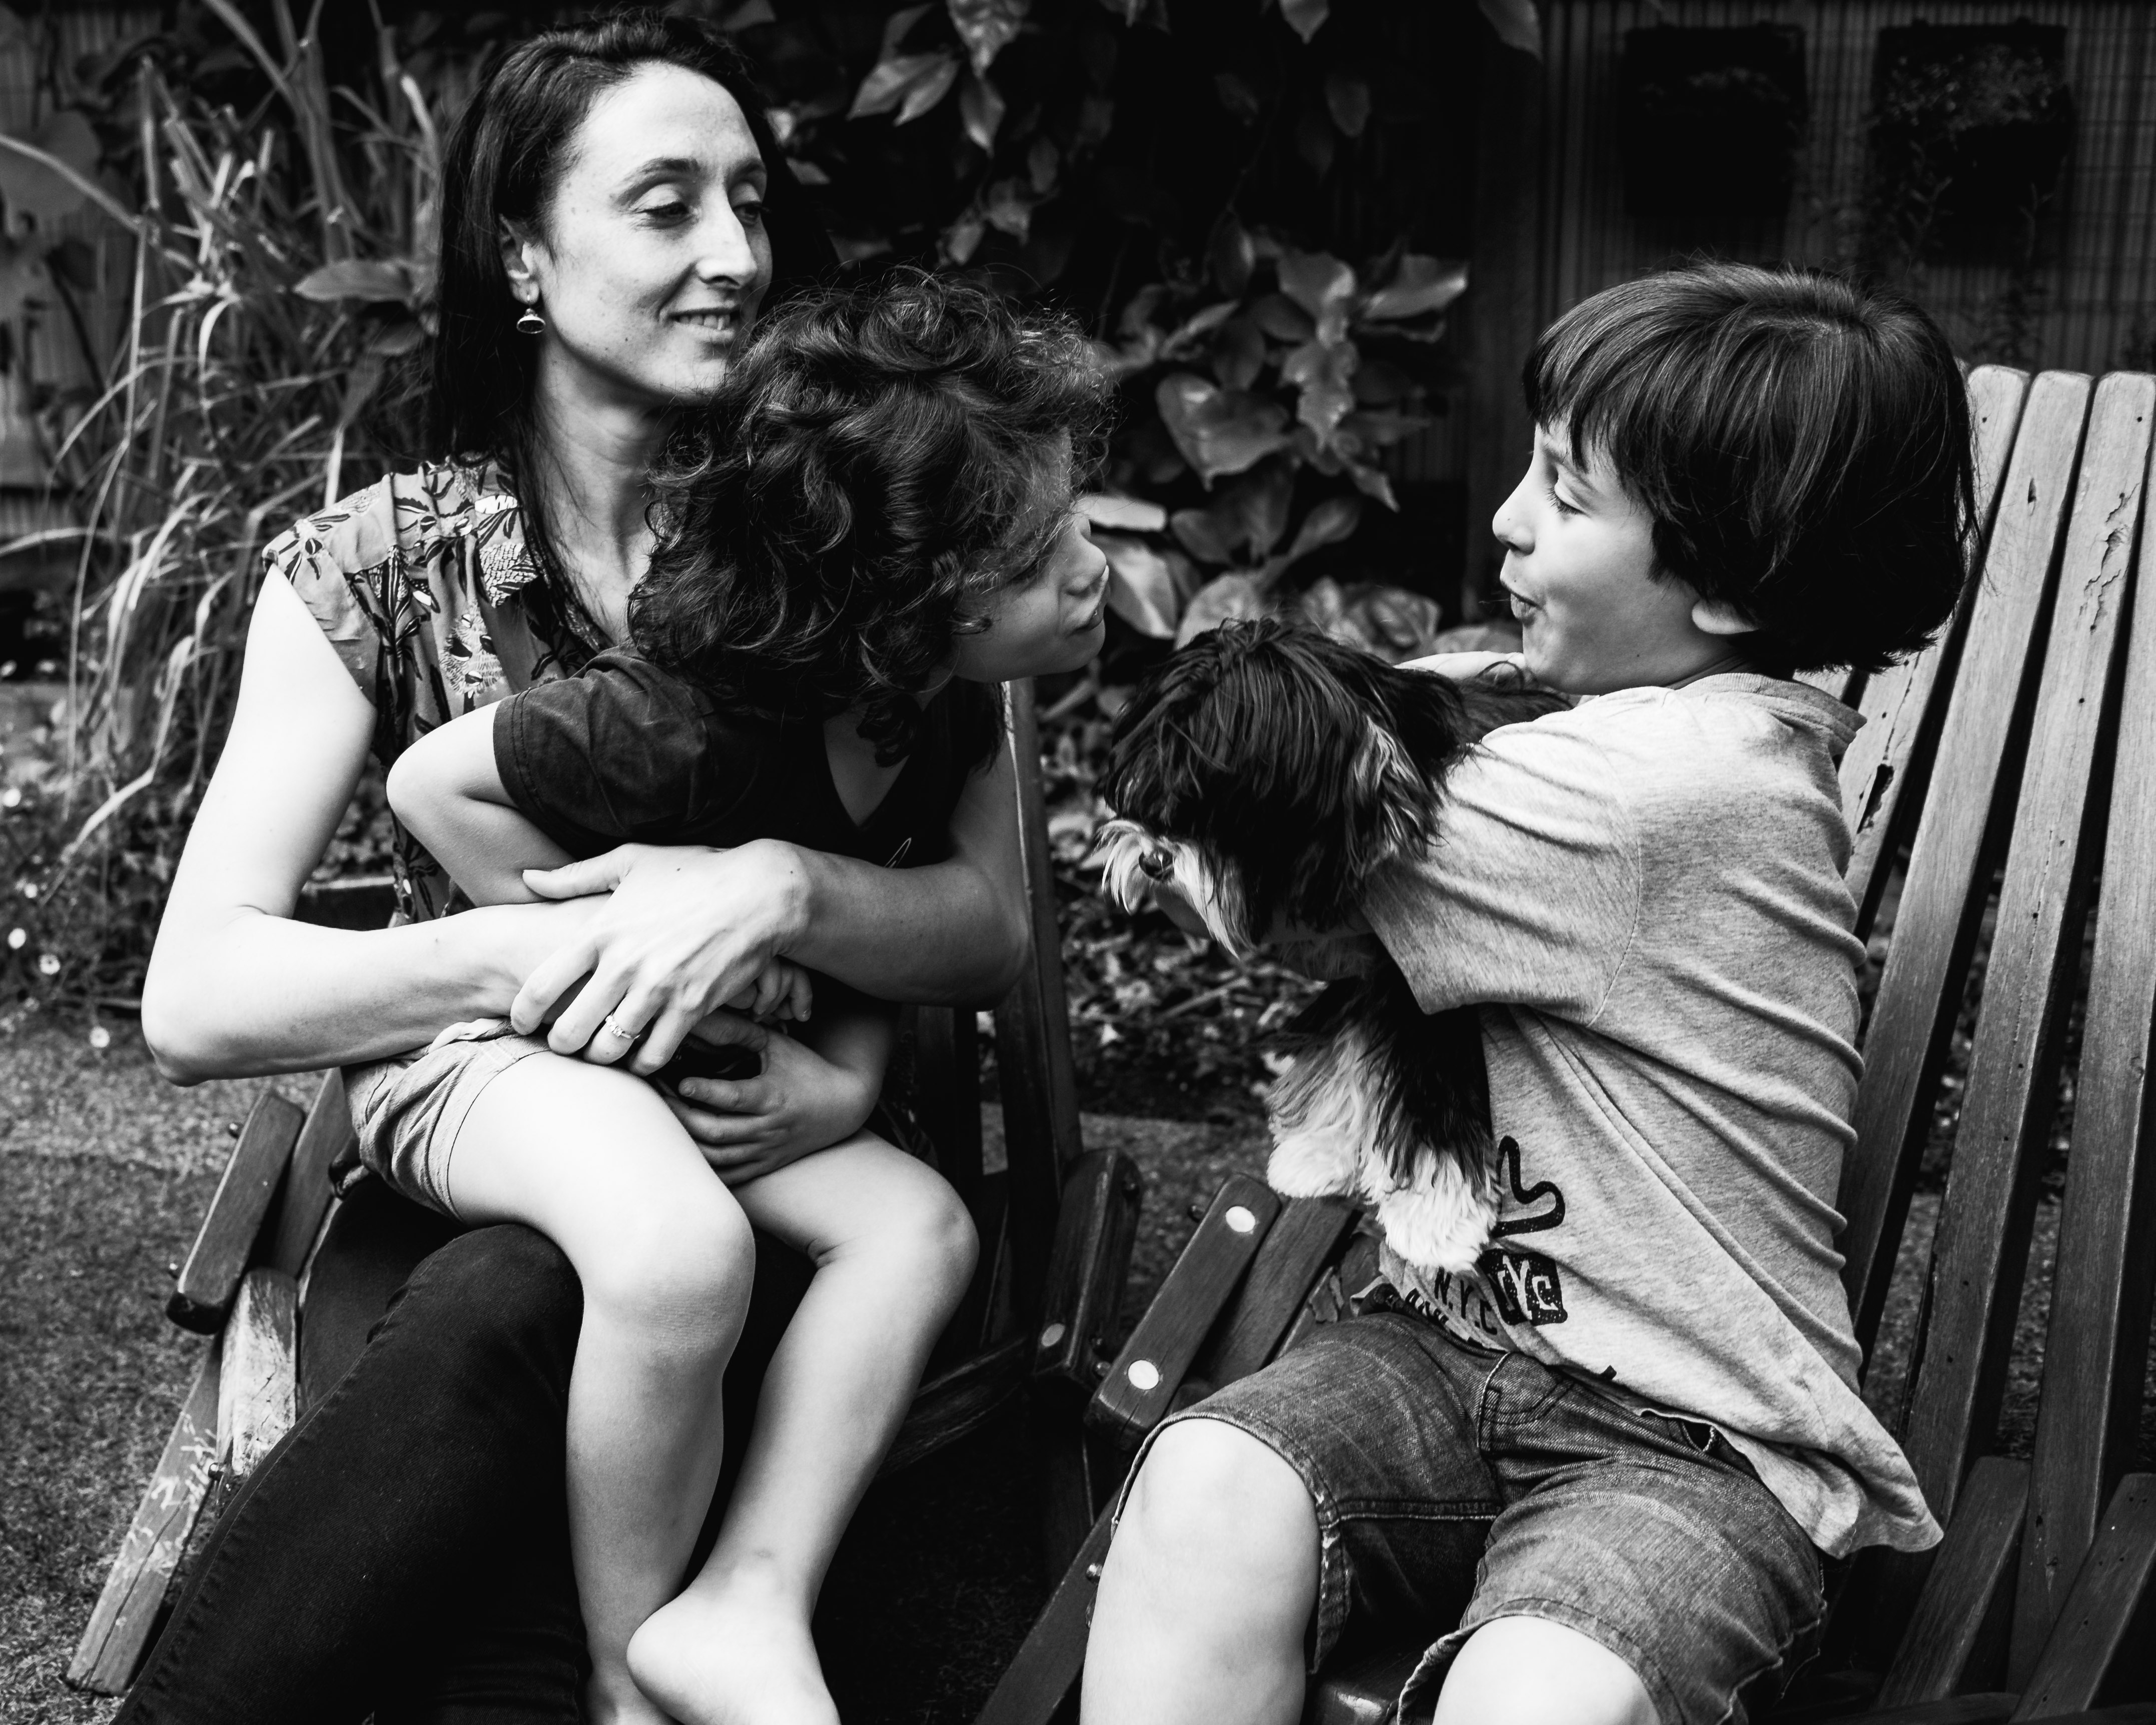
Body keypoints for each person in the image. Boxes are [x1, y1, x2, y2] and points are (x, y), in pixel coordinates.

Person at [120, 16, 1038, 1724]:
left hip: (779, 1164)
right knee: (528, 1283)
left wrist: (775, 892)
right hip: (486, 1153)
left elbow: (990, 920)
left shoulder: (860, 523)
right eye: (668, 206)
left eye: (751, 202)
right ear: (526, 256)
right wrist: (543, 963)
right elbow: (201, 992)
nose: (738, 256)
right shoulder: (379, 565)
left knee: (549, 1301)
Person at [1083, 264, 1974, 1725]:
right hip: (1436, 1351)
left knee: (1540, 1696)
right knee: (1202, 1487)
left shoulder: (1656, 793)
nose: (1504, 517)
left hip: (1694, 1445)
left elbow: (1241, 837)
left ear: (1732, 585)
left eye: (1565, 495)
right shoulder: (1579, 715)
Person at [374, 274, 1108, 1725]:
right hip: (589, 1080)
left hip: (735, 1088)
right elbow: (430, 782)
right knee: (686, 1261)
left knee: (920, 1227)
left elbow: (936, 920)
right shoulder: (681, 729)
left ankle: (748, 1597)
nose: (1092, 566)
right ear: (907, 607)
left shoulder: (936, 707)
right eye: (1041, 557)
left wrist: (833, 1065)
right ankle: (618, 1670)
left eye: (1077, 517)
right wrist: (596, 940)